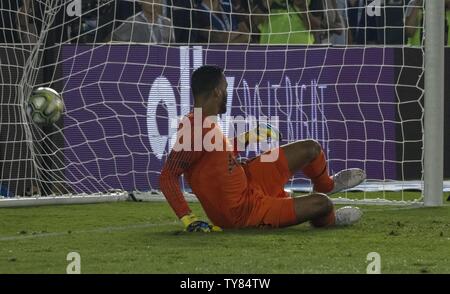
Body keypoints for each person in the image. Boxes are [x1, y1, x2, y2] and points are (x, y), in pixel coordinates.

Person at [159, 65, 366, 232]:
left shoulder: (205, 122)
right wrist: (189, 218)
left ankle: (326, 185)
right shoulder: (194, 129)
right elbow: (168, 175)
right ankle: (328, 220)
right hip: (244, 212)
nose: (228, 94)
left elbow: (217, 156)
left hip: (249, 179)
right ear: (217, 92)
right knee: (323, 205)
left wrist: (250, 137)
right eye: (226, 90)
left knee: (311, 149)